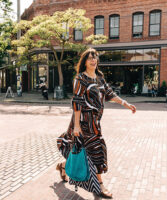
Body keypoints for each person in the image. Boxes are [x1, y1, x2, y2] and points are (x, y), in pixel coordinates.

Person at [56, 48, 136, 198]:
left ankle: (63, 166)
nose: (93, 60)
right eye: (90, 58)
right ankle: (100, 185)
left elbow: (110, 94)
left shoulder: (99, 77)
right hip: (83, 123)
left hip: (95, 123)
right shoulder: (80, 78)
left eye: (95, 57)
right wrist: (77, 126)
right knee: (96, 151)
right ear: (84, 62)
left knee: (80, 151)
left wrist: (125, 103)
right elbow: (77, 102)